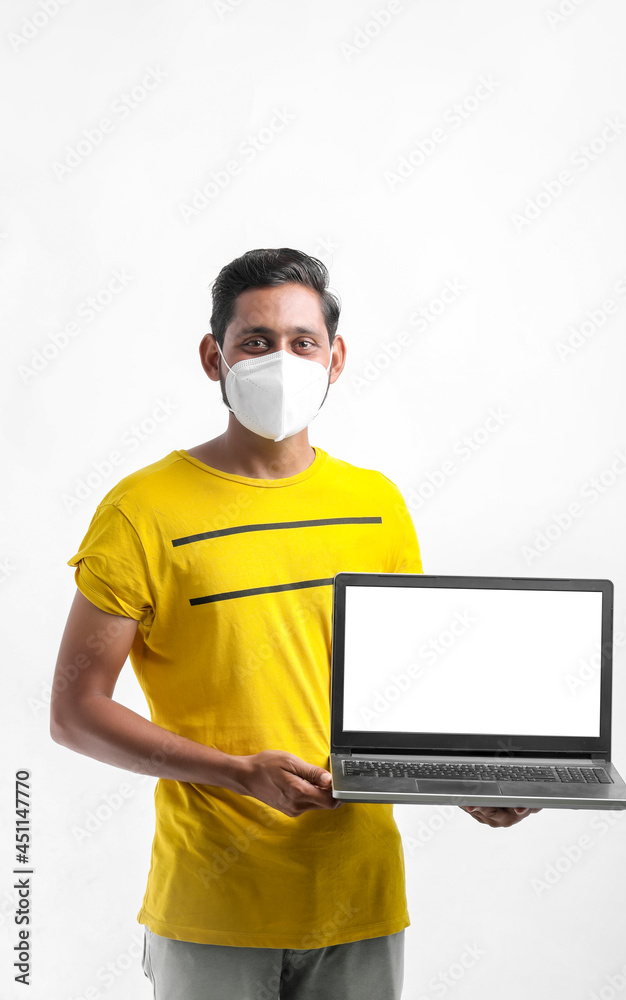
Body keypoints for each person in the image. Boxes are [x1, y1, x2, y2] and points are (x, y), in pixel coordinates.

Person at [51, 248, 539, 999]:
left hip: (359, 900)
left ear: (334, 357)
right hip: (212, 910)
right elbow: (75, 714)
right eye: (255, 341)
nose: (280, 359)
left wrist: (467, 780)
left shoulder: (377, 505)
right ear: (214, 357)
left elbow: (400, 695)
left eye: (301, 342)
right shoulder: (141, 510)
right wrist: (237, 774)